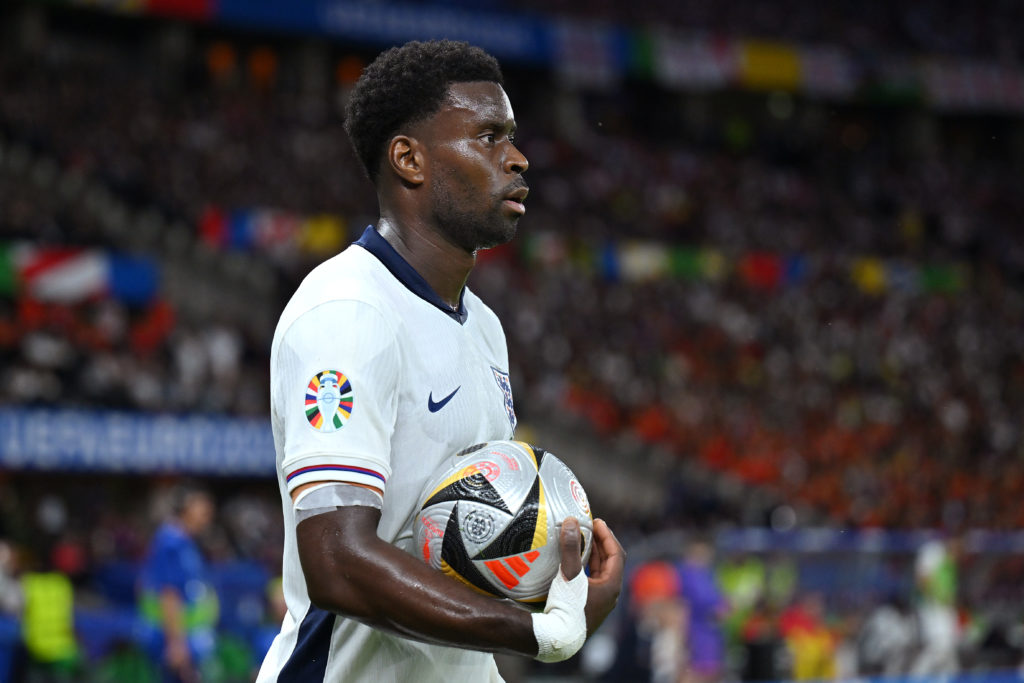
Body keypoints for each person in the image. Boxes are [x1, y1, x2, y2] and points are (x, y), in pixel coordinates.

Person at [257, 40, 625, 682]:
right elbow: (338, 562)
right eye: (488, 137)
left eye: (512, 136)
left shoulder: (482, 326)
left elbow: (457, 545)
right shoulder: (348, 311)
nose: (518, 158)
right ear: (409, 159)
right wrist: (539, 633)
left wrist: (552, 577)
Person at [139, 483, 219, 683]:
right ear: (186, 508)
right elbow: (169, 593)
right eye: (202, 509)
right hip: (173, 640)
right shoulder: (170, 543)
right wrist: (176, 643)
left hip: (189, 637)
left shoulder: (187, 542)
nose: (208, 515)